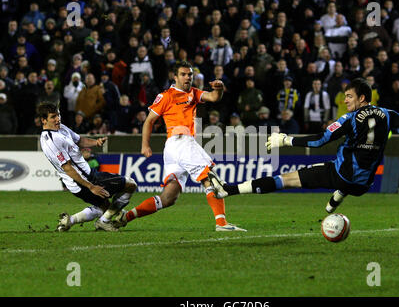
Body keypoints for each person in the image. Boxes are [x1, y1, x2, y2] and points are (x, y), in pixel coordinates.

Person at [208, 78, 399, 214]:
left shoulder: (349, 119)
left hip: (341, 175)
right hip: (364, 185)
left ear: (362, 98)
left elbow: (320, 141)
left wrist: (285, 140)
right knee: (354, 172)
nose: (346, 101)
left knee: (286, 179)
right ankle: (337, 198)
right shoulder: (389, 115)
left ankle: (229, 190)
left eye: (349, 97)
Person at [113, 61, 246, 232]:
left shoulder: (194, 93)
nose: (187, 77)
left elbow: (213, 97)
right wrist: (145, 145)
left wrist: (219, 89)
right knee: (210, 178)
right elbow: (149, 121)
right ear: (175, 77)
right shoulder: (166, 96)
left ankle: (125, 217)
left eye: (190, 74)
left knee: (168, 198)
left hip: (175, 149)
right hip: (181, 143)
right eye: (183, 74)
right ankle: (221, 224)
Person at [38, 102, 137, 232]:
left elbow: (79, 140)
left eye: (58, 115)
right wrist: (91, 187)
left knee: (104, 206)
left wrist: (95, 142)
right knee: (130, 184)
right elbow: (67, 168)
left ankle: (70, 221)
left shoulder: (61, 128)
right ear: (44, 120)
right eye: (53, 117)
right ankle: (104, 221)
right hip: (83, 181)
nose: (57, 119)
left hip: (89, 175)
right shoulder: (50, 140)